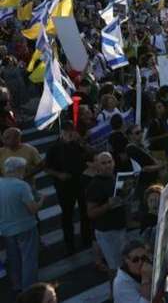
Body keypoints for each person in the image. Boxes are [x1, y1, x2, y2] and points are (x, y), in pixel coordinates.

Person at [43, 122, 91, 254]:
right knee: (67, 215)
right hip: (64, 186)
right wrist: (59, 174)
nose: (69, 135)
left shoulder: (76, 144)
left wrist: (81, 141)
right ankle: (69, 244)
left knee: (85, 212)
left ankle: (86, 238)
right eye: (67, 132)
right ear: (62, 133)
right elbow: (47, 168)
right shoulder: (54, 148)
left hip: (80, 182)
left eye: (71, 132)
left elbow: (88, 154)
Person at [0, 157, 46, 293]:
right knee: (29, 258)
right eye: (24, 169)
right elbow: (33, 209)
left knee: (13, 257)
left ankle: (16, 284)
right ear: (19, 169)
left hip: (6, 229)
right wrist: (42, 199)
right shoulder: (22, 186)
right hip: (25, 227)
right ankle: (30, 289)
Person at [86, 152, 127, 274]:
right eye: (103, 163)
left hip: (120, 227)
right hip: (107, 231)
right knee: (115, 268)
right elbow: (91, 213)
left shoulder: (114, 178)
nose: (108, 165)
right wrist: (108, 205)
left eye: (110, 162)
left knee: (122, 265)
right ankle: (113, 293)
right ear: (97, 166)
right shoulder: (94, 185)